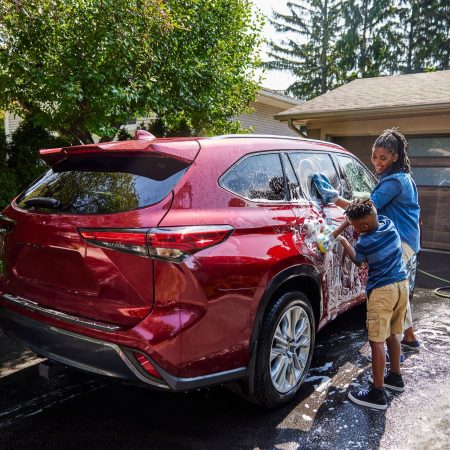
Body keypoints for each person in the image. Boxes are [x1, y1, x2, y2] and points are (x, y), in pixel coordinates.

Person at [313, 128, 421, 350]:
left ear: (395, 157)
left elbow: (364, 211)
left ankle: (387, 345)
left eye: (383, 158)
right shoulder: (400, 177)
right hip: (407, 239)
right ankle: (409, 337)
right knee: (399, 286)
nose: (377, 162)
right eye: (374, 156)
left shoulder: (395, 182)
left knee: (388, 291)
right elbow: (367, 205)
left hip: (400, 241)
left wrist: (334, 221)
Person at [336, 198, 408, 410]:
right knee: (393, 333)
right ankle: (395, 378)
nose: (354, 229)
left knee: (376, 341)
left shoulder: (365, 241)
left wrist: (343, 241)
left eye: (355, 226)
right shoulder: (388, 223)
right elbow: (365, 220)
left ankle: (377, 394)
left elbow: (358, 260)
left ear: (363, 227)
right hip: (401, 286)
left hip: (382, 291)